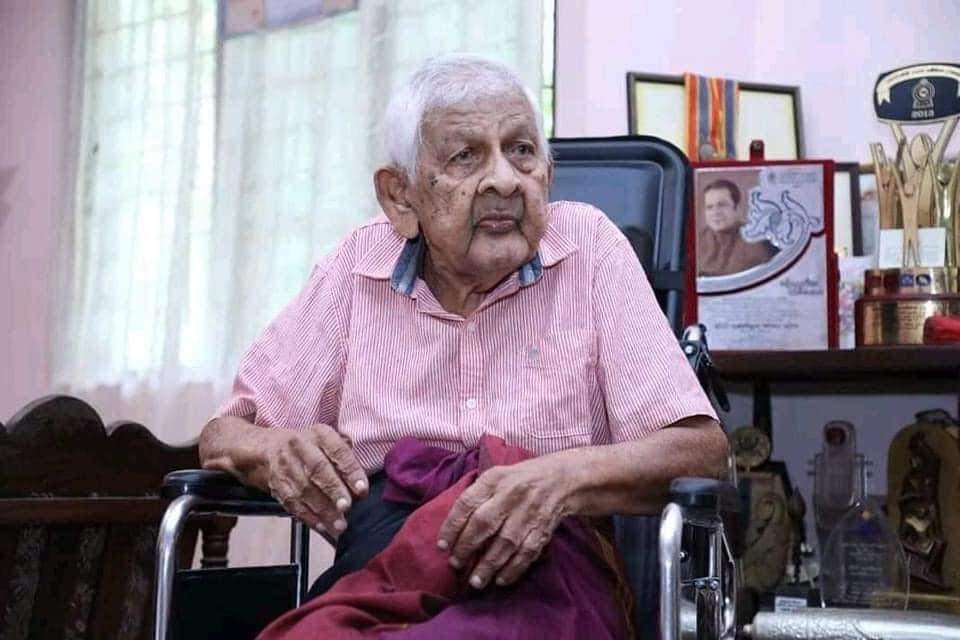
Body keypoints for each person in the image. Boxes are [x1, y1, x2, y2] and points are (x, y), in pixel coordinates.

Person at [199, 54, 727, 619]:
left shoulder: (591, 249)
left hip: (551, 573)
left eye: (521, 151)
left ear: (547, 175)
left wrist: (559, 479)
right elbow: (223, 436)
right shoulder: (356, 265)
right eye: (465, 156)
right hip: (385, 574)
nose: (504, 179)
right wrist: (275, 450)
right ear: (400, 197)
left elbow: (702, 451)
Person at [697, 179, 778, 277]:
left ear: (737, 208)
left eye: (722, 205)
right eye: (709, 207)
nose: (715, 213)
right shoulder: (698, 241)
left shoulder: (755, 240)